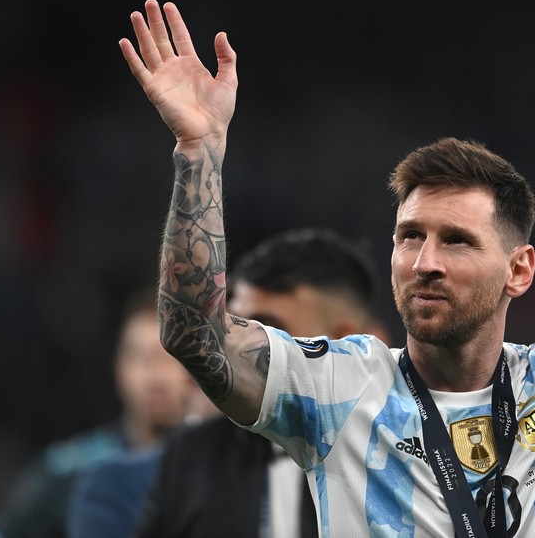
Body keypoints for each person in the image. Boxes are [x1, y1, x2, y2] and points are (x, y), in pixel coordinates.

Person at [119, 0, 535, 537]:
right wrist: (198, 149)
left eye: (457, 240)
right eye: (410, 236)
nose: (424, 261)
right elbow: (195, 334)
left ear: (520, 270)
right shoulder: (336, 386)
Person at [65, 228, 388, 538]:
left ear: (343, 341)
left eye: (267, 335)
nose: (233, 353)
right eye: (232, 331)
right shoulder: (192, 458)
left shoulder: (405, 450)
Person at [0, 291, 195, 538]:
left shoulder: (219, 466)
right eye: (140, 358)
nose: (156, 378)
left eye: (171, 357)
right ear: (119, 368)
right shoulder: (72, 470)